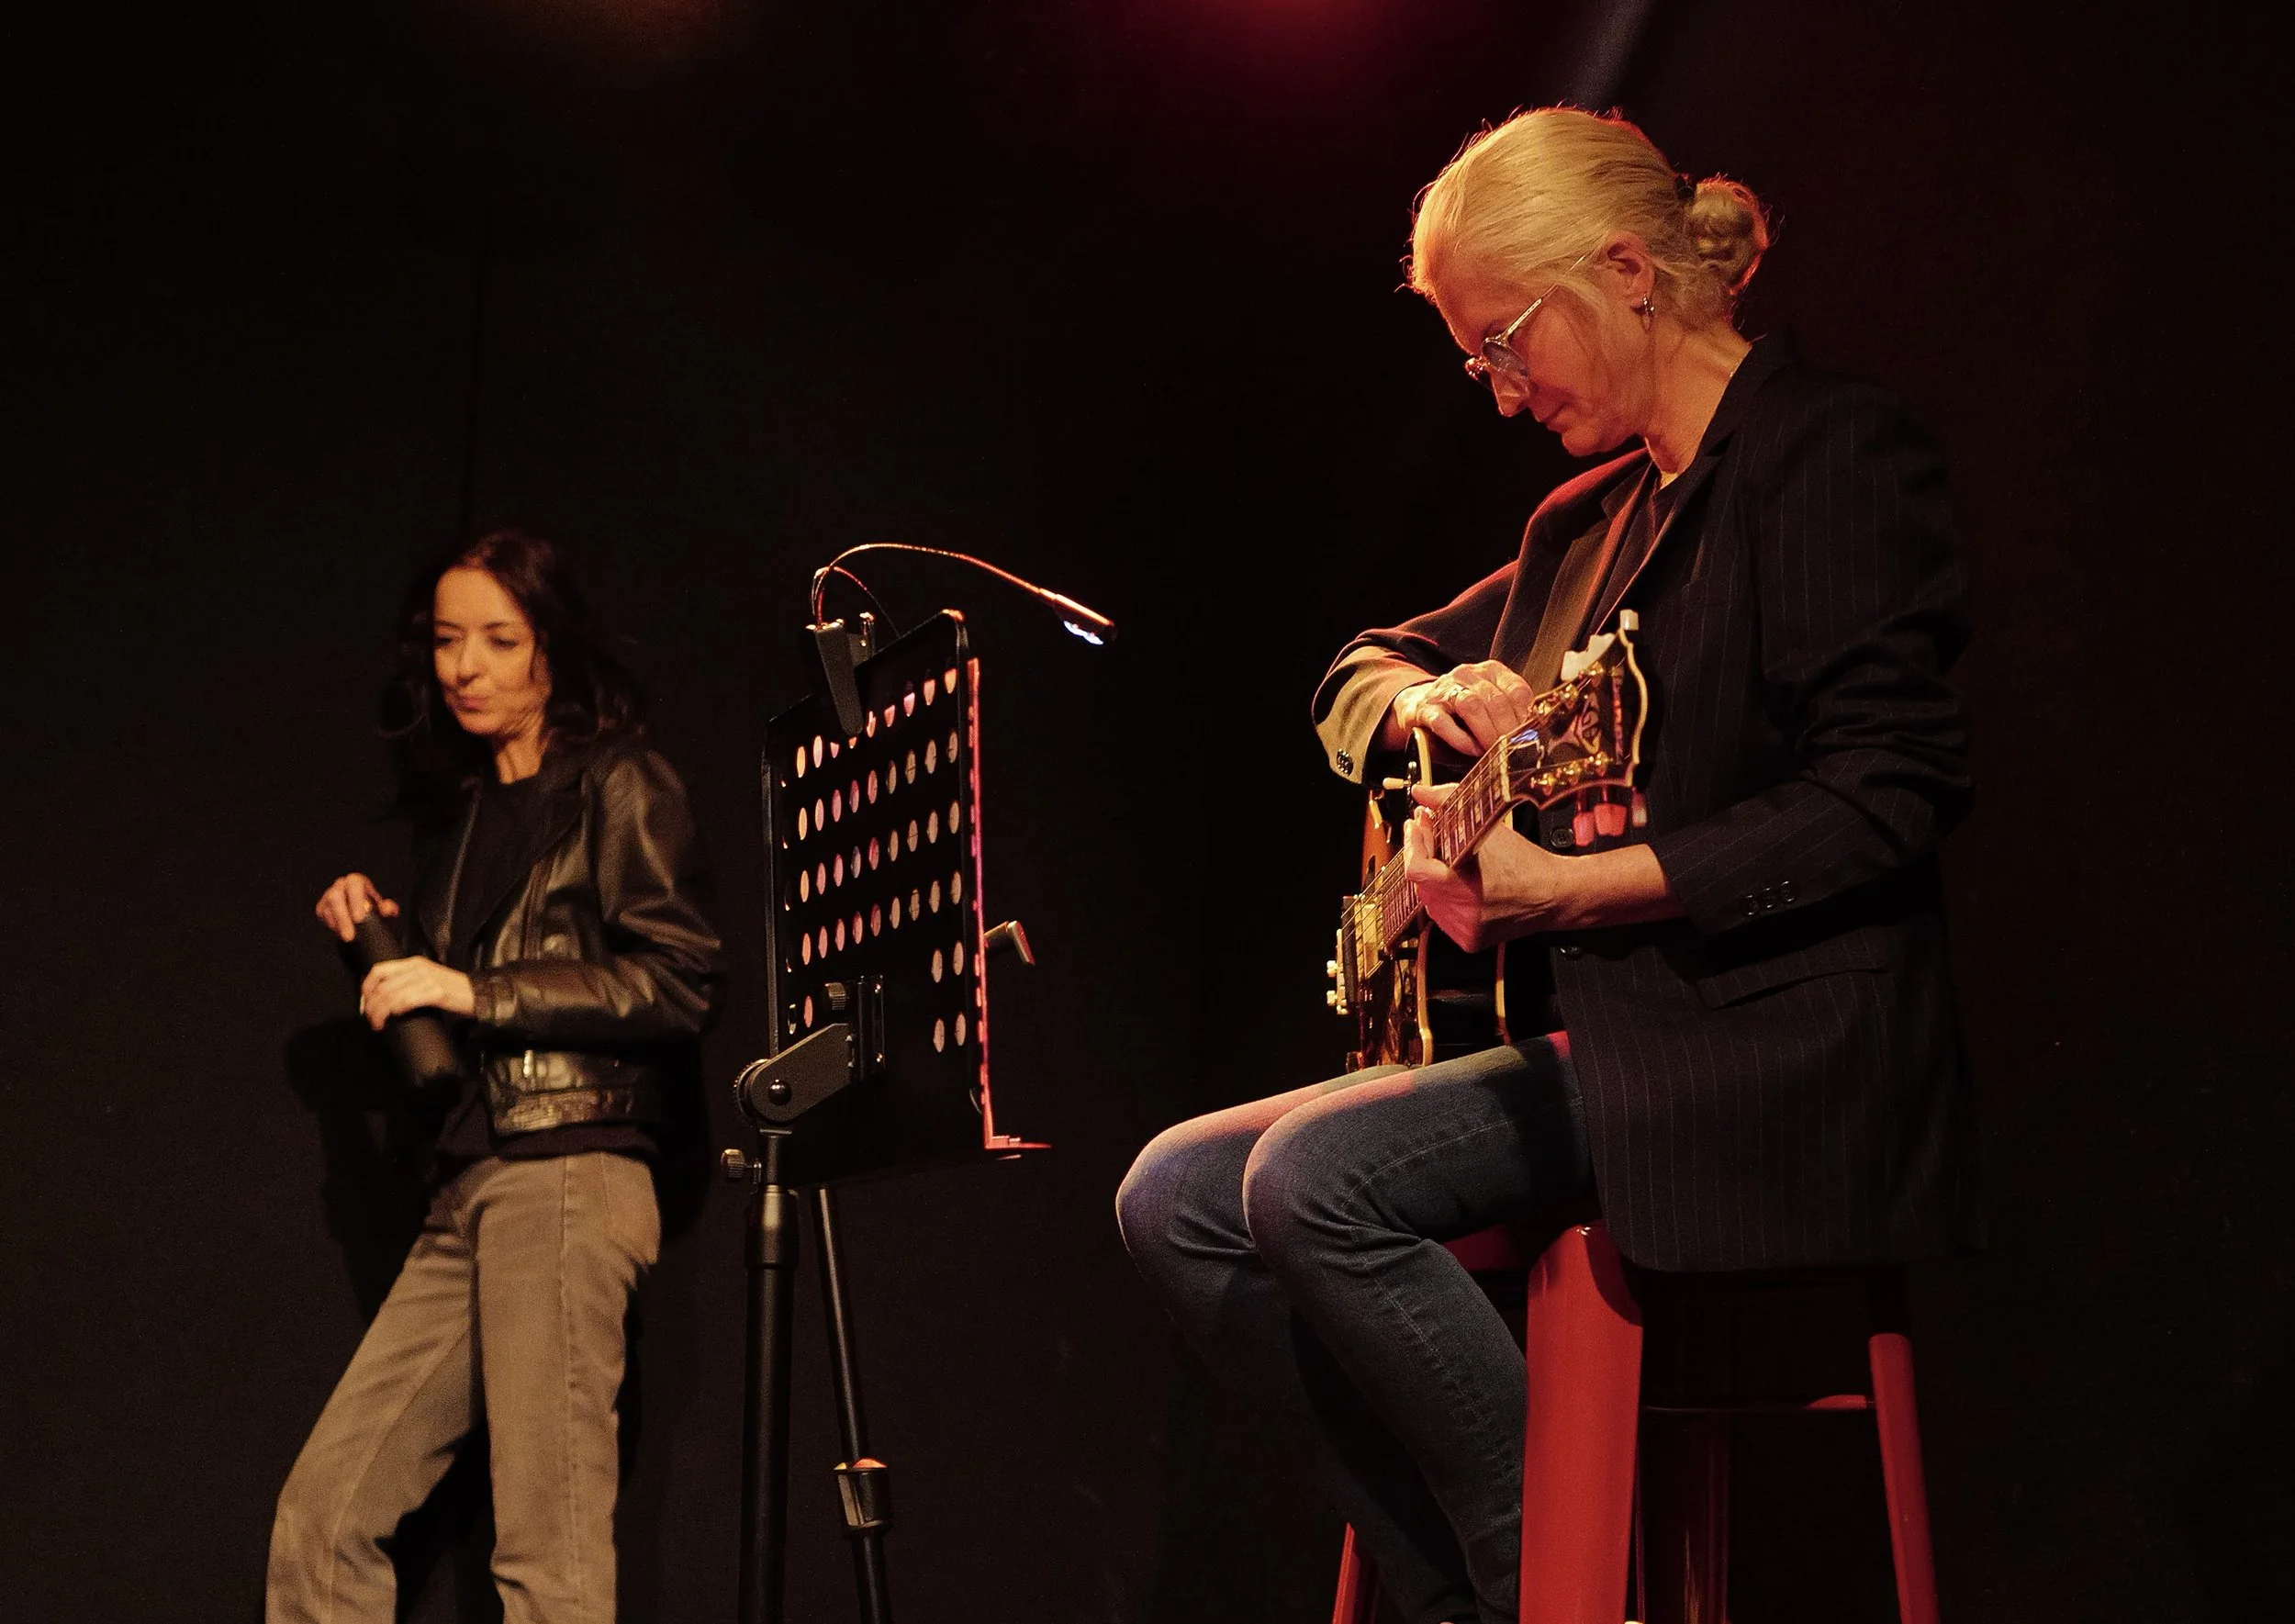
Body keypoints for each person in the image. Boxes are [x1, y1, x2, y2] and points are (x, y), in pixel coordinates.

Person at [1116, 107, 1980, 1624]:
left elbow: (1884, 800)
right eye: (1477, 362)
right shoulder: (1584, 524)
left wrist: (1571, 886)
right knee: (1174, 1192)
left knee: (1313, 1179)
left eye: (1508, 343)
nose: (1502, 392)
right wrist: (1417, 704)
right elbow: (1357, 670)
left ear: (1631, 271)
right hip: (1621, 1039)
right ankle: (1466, 1588)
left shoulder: (1828, 453)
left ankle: (1558, 1589)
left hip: (1784, 1047)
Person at [267, 529, 722, 1624]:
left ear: (550, 652)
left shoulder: (621, 781)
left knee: (547, 1556)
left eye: (498, 638)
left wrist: (480, 991)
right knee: (324, 1520)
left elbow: (679, 978)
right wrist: (379, 938)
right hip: (467, 1185)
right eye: (445, 639)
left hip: (568, 1175)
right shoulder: (464, 821)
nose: (464, 665)